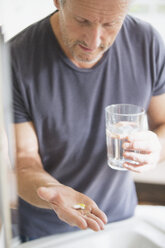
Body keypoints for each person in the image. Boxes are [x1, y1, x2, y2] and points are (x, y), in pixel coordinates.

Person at [10, 0, 165, 242]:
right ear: (58, 2)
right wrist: (55, 194)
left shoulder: (147, 42)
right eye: (82, 21)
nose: (94, 41)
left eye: (110, 24)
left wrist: (157, 147)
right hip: (48, 231)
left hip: (122, 220)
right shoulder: (15, 59)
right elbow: (24, 161)